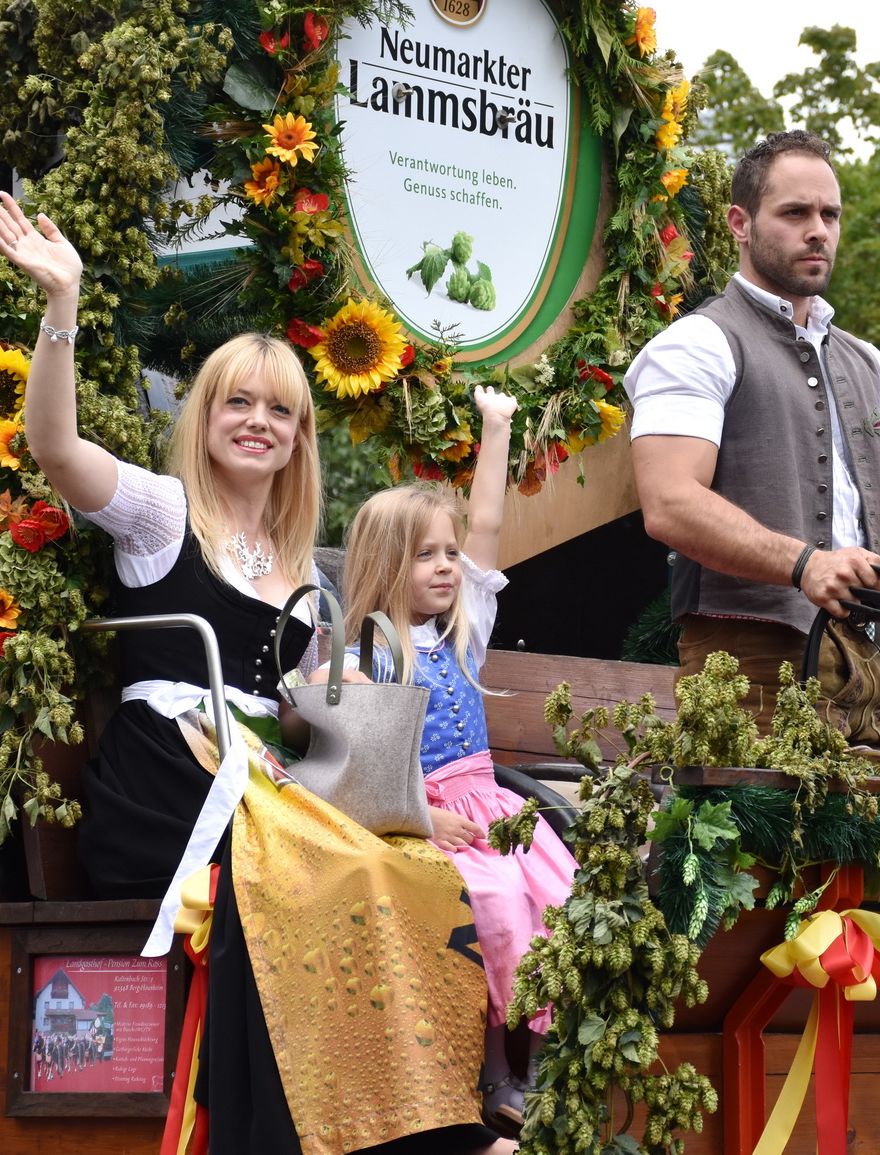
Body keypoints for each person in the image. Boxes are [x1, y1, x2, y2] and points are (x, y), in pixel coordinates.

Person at [0, 193, 513, 1155]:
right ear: (206, 414)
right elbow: (55, 450)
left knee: (410, 869)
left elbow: (319, 725)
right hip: (165, 782)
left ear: (302, 436)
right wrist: (62, 305)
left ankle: (416, 1116)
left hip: (255, 779)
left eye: (281, 409)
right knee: (324, 873)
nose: (258, 421)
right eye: (238, 401)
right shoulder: (159, 513)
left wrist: (416, 802)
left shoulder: (305, 566)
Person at [626, 129, 880, 747]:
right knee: (763, 843)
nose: (818, 230)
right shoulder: (697, 343)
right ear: (740, 223)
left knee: (864, 846)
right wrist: (803, 564)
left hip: (866, 661)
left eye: (830, 214)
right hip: (747, 656)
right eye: (794, 213)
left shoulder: (870, 364)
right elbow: (668, 501)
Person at [322, 387, 576, 1138]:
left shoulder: (464, 631)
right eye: (425, 555)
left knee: (558, 893)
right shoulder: (363, 652)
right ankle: (495, 1066)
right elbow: (355, 765)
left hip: (491, 807)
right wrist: (420, 813)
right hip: (423, 815)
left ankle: (543, 1062)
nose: (445, 568)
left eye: (448, 553)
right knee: (494, 907)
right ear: (383, 563)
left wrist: (497, 428)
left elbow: (489, 523)